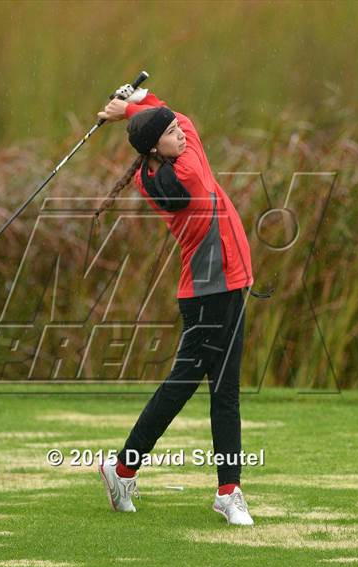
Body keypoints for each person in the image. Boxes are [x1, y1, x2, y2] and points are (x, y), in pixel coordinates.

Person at [94, 84, 256, 525]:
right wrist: (133, 105)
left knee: (222, 391)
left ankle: (227, 490)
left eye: (176, 131)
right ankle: (123, 467)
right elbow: (177, 117)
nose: (179, 134)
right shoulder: (186, 173)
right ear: (155, 149)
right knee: (188, 387)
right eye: (169, 134)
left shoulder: (157, 168)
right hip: (210, 293)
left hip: (222, 287)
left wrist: (139, 102)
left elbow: (172, 118)